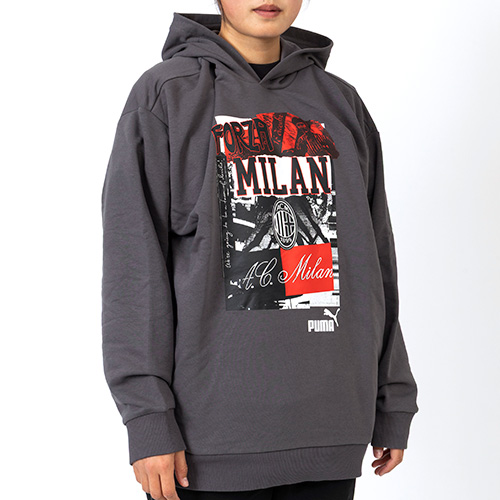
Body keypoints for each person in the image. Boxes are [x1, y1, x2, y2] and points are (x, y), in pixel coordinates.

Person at [101, 1, 419, 499]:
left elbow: (375, 263)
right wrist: (147, 417)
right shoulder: (168, 94)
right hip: (207, 442)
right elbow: (133, 267)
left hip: (331, 428)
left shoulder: (342, 103)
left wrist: (392, 398)